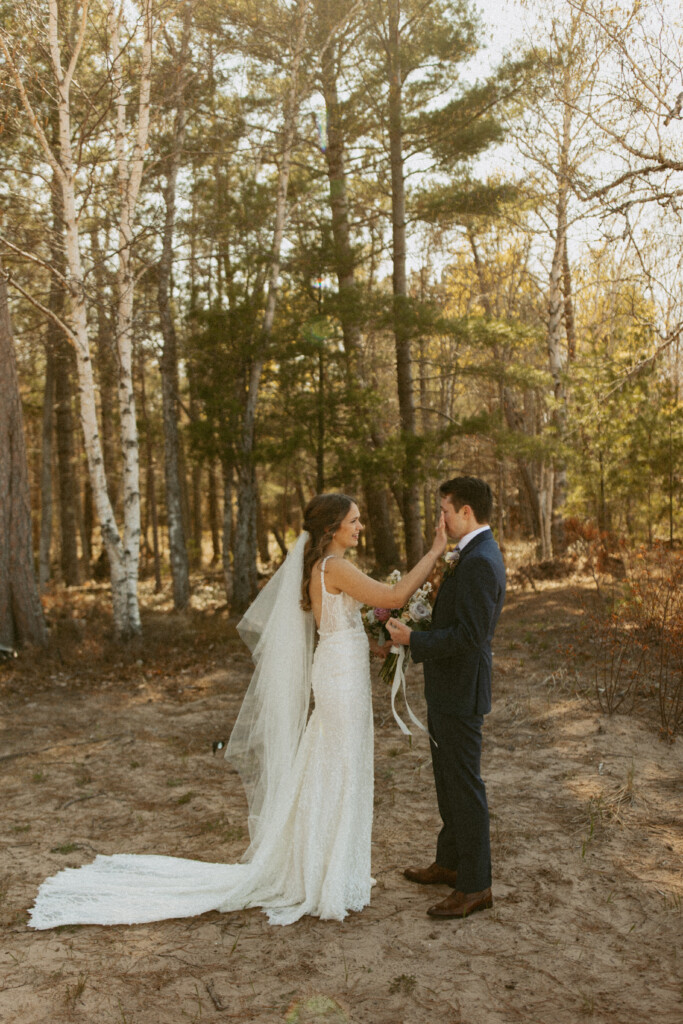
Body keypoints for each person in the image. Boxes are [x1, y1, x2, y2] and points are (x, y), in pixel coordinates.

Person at [29, 493, 447, 929]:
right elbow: (395, 595)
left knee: (332, 764)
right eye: (354, 520)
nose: (360, 526)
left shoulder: (326, 568)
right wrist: (435, 550)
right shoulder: (334, 567)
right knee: (338, 766)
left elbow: (340, 623)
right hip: (340, 678)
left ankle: (328, 867)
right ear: (331, 528)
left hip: (341, 669)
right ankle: (323, 874)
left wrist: (378, 645)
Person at [386, 476, 506, 920]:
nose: (441, 519)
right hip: (448, 688)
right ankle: (450, 862)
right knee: (448, 783)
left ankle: (475, 886)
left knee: (465, 787)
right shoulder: (470, 554)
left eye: (445, 511)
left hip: (461, 691)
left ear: (466, 512)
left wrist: (414, 641)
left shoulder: (480, 561)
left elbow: (470, 636)